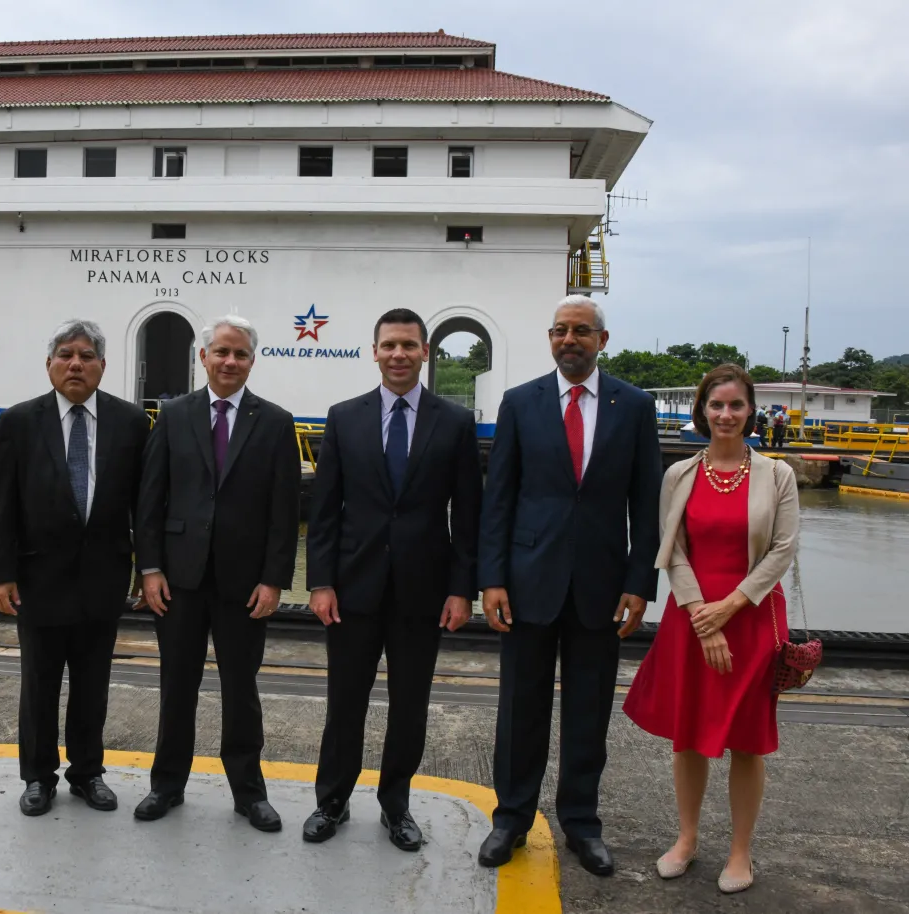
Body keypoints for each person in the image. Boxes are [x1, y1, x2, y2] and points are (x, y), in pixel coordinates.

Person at [476, 294, 663, 876]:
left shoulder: (633, 406)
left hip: (602, 589)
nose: (568, 340)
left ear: (602, 341)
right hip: (528, 583)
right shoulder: (520, 403)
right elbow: (499, 499)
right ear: (550, 338)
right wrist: (492, 579)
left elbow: (647, 503)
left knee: (588, 712)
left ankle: (582, 824)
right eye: (559, 331)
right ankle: (511, 819)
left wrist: (640, 582)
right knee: (520, 710)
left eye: (581, 331)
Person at [303, 308, 481, 852]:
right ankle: (331, 801)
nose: (399, 354)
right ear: (374, 352)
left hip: (423, 593)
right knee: (345, 703)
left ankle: (395, 805)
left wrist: (461, 588)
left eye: (409, 345)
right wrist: (320, 582)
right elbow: (325, 509)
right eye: (389, 345)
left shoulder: (453, 421)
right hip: (352, 589)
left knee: (410, 706)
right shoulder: (344, 417)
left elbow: (467, 515)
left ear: (426, 352)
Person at [623, 364, 798, 895]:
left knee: (747, 739)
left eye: (736, 406)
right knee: (689, 735)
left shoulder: (777, 474)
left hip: (752, 616)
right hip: (692, 613)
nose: (726, 415)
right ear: (702, 410)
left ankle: (741, 852)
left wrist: (730, 608)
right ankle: (687, 837)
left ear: (750, 412)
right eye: (716, 405)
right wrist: (705, 616)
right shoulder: (679, 474)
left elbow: (783, 549)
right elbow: (670, 549)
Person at [134, 315, 301, 831]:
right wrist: (150, 568)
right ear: (202, 358)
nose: (231, 362)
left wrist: (274, 579)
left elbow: (284, 510)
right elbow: (151, 499)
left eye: (241, 354)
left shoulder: (274, 422)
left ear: (252, 361)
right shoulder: (173, 414)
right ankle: (166, 786)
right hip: (179, 579)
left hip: (244, 582)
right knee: (176, 685)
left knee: (241, 689)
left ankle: (249, 793)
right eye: (222, 352)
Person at [0, 319, 150, 817]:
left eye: (86, 355)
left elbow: (144, 505)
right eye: (65, 354)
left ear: (103, 365)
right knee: (38, 683)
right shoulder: (19, 422)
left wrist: (148, 568)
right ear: (49, 364)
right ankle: (38, 777)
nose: (75, 363)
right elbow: (1, 504)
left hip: (103, 576)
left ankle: (87, 773)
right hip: (38, 578)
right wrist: (0, 572)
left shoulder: (131, 423)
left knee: (93, 682)